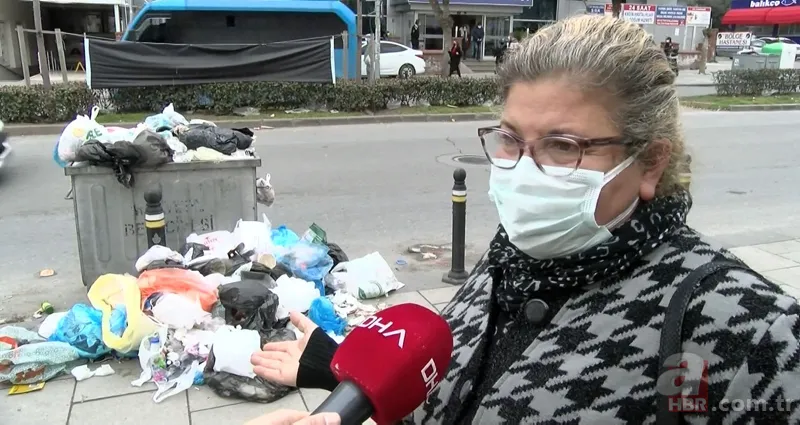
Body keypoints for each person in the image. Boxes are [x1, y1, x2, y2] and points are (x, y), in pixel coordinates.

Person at [249, 15, 800, 424]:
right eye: (511, 139)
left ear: (650, 161)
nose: (524, 172)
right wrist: (344, 375)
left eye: (563, 146)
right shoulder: (511, 259)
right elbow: (460, 384)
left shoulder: (755, 335)